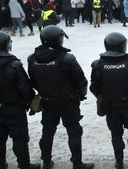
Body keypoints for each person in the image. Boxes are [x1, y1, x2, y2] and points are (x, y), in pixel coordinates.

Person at [28, 25, 94, 169]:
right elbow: (81, 80)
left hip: (47, 101)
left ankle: (46, 161)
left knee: (47, 132)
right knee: (74, 132)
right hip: (68, 102)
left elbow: (32, 81)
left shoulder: (33, 58)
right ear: (58, 40)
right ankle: (77, 163)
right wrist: (81, 95)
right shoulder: (67, 58)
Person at [89, 33, 128, 169]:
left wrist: (102, 97)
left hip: (111, 105)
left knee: (115, 133)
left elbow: (93, 87)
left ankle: (119, 161)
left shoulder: (98, 64)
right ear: (122, 45)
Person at [0, 31, 40, 169]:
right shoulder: (14, 65)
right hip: (14, 107)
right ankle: (24, 164)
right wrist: (32, 102)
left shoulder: (13, 64)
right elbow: (25, 88)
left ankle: (0, 164)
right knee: (20, 138)